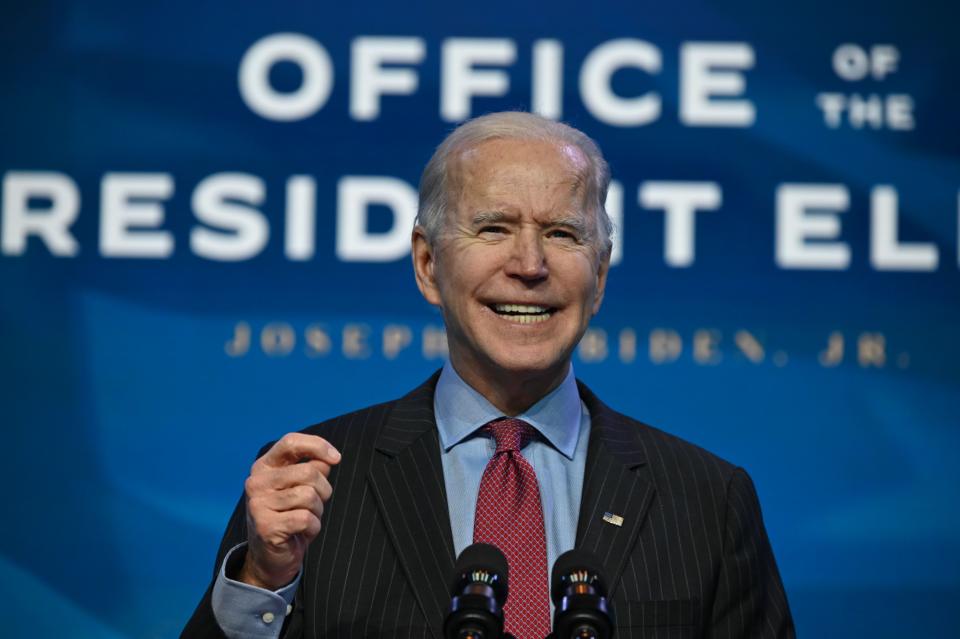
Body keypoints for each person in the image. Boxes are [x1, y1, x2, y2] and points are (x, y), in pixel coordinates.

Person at [182, 111, 795, 638]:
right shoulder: (312, 485)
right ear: (427, 264)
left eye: (562, 233)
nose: (529, 265)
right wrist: (263, 578)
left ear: (601, 275)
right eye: (494, 228)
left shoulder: (708, 502)